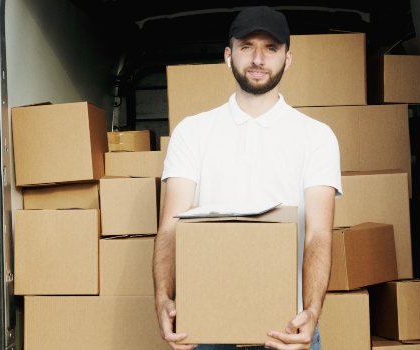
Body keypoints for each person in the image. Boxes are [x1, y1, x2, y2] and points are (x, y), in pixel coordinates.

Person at [153, 6, 342, 350]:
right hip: (206, 328)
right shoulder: (192, 133)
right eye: (246, 46)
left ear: (287, 58)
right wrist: (163, 298)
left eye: (270, 48)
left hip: (288, 327)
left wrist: (313, 310)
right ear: (228, 55)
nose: (258, 58)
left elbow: (318, 234)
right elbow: (170, 227)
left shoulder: (317, 137)